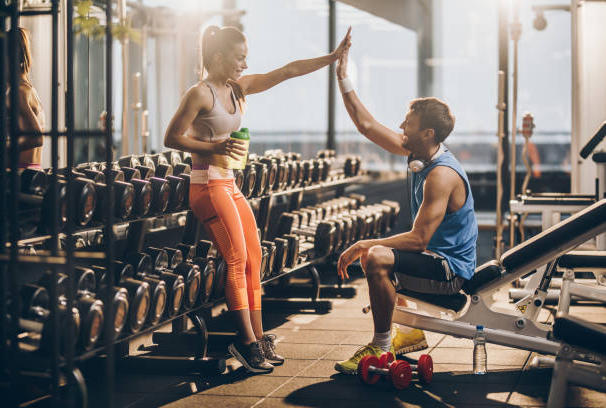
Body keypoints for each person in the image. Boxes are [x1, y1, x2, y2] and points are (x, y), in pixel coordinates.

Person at [164, 25, 352, 373]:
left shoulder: (237, 88)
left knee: (255, 254)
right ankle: (245, 342)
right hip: (206, 185)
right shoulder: (199, 93)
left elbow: (288, 71)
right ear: (219, 57)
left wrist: (332, 57)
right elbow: (171, 137)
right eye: (239, 57)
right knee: (236, 258)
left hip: (229, 182)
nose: (244, 63)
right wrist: (214, 147)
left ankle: (259, 338)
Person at [333, 38, 478, 374]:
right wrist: (343, 78)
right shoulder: (419, 154)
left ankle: (381, 346)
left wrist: (363, 243)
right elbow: (367, 126)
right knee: (379, 254)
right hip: (433, 259)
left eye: (407, 124)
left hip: (450, 270)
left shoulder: (440, 175)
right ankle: (408, 335)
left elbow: (418, 241)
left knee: (378, 256)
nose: (400, 128)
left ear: (427, 133)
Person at [0, 28, 45, 168]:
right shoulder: (26, 89)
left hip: (17, 176)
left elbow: (36, 138)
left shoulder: (17, 92)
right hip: (28, 173)